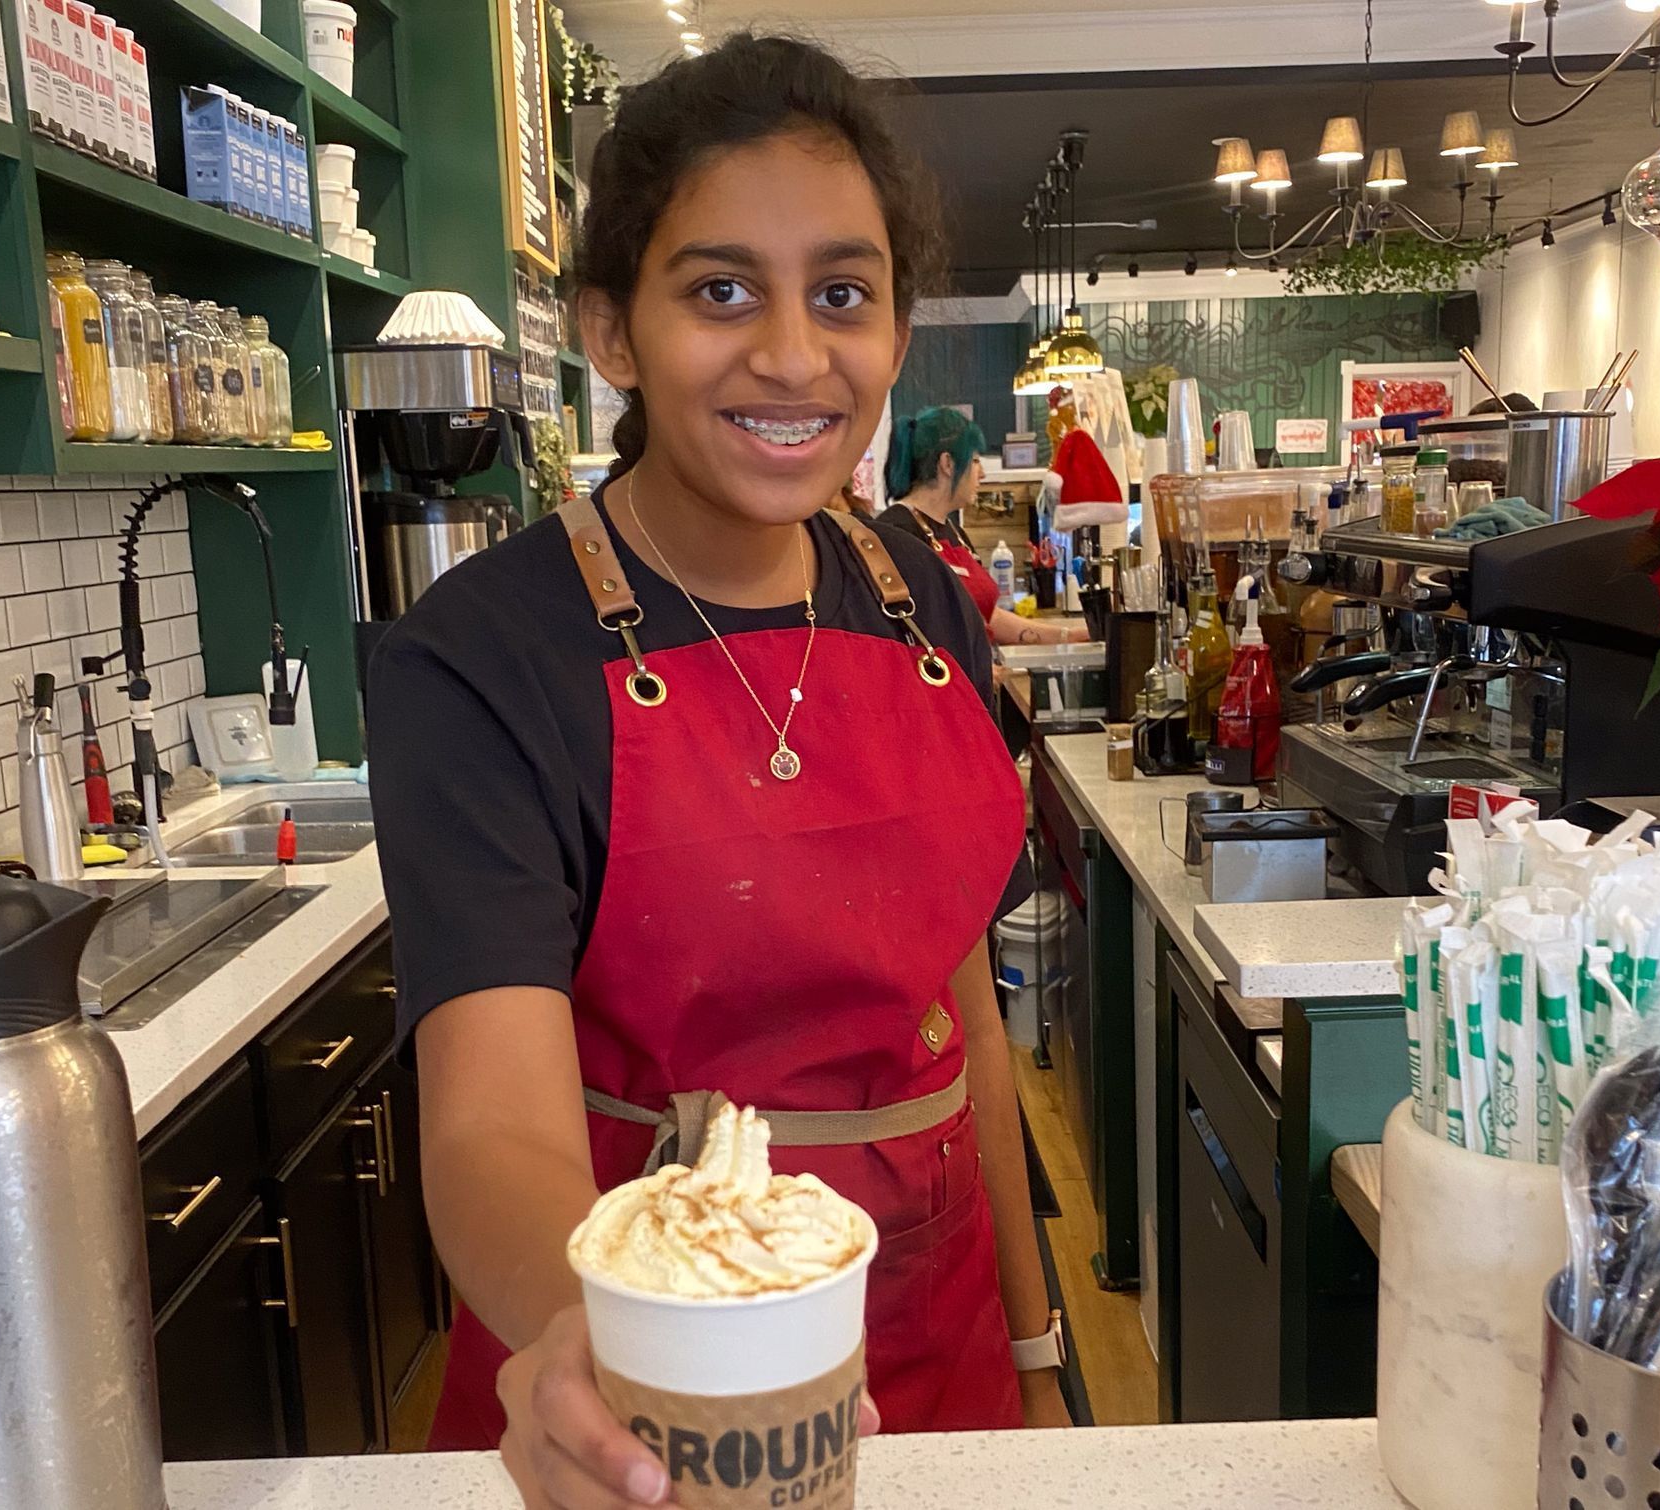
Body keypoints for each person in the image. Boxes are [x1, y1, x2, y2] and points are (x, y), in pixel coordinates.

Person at [367, 33, 1070, 1510]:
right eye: (719, 291)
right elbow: (490, 1120)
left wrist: (1039, 1339)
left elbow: (968, 1028)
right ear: (611, 332)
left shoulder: (919, 598)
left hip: (937, 1362)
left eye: (842, 294)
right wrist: (599, 1338)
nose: (794, 355)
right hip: (644, 1384)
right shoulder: (484, 659)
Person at [879, 406, 1089, 645]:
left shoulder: (954, 532)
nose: (983, 474)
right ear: (947, 464)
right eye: (976, 461)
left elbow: (989, 618)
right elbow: (907, 634)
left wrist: (1069, 636)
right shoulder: (896, 533)